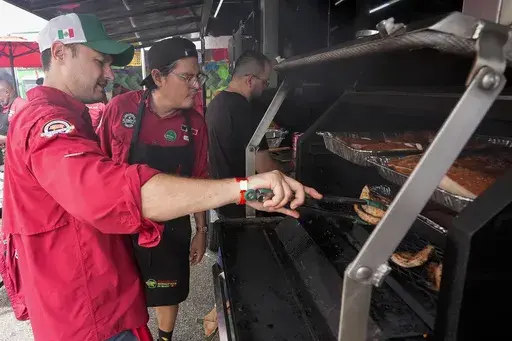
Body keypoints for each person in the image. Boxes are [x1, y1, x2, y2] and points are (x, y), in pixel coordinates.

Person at [2, 13, 321, 341]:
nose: (109, 74)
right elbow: (112, 189)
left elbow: (195, 176)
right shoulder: (48, 125)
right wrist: (243, 189)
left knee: (168, 294)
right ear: (59, 53)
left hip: (110, 283)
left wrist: (203, 226)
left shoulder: (80, 119)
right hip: (86, 311)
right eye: (100, 61)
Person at [97, 37, 208, 341]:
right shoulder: (122, 109)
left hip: (173, 224)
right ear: (158, 77)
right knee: (123, 288)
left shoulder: (196, 123)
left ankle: (164, 338)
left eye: (198, 76)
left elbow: (198, 180)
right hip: (123, 223)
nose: (196, 84)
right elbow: (100, 167)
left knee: (166, 288)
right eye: (187, 77)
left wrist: (201, 229)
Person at [206, 50, 290, 219]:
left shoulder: (216, 103)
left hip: (225, 201)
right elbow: (265, 168)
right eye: (265, 83)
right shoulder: (244, 111)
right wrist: (290, 170)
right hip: (245, 207)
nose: (265, 87)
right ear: (250, 80)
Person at [0, 79, 28, 144]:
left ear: (6, 92)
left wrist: (5, 139)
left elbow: (26, 136)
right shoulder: (3, 107)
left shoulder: (21, 106)